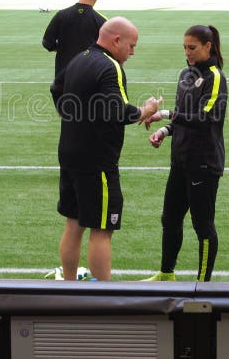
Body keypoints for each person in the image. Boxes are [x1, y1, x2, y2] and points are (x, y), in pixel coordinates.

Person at [50, 17, 161, 280]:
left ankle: (68, 287)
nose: (133, 52)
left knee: (74, 223)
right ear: (116, 40)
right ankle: (103, 295)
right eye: (132, 46)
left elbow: (56, 88)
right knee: (101, 229)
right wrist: (146, 110)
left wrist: (74, 117)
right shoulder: (110, 67)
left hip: (69, 151)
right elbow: (118, 112)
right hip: (96, 160)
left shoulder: (79, 57)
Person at [143, 25, 228, 282]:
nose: (187, 52)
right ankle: (166, 274)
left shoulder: (215, 77)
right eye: (184, 47)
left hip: (203, 163)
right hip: (180, 160)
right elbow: (183, 116)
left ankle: (203, 284)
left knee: (202, 226)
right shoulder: (184, 74)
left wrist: (166, 114)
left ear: (207, 46)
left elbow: (205, 118)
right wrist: (165, 131)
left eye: (192, 47)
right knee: (169, 219)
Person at [42, 0, 107, 79]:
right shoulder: (101, 21)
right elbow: (107, 51)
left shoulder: (61, 15)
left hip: (63, 78)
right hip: (88, 76)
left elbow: (46, 43)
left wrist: (62, 48)